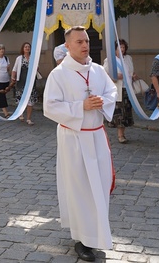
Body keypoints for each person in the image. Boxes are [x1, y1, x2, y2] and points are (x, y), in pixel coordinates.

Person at [43, 26, 117, 262]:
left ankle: (96, 231)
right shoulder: (59, 74)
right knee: (80, 188)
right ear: (68, 46)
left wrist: (102, 101)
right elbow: (50, 107)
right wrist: (80, 107)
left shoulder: (97, 70)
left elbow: (112, 91)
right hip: (74, 138)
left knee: (101, 185)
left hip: (96, 136)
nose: (85, 45)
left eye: (86, 41)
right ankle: (82, 239)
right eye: (79, 42)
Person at [103, 39, 136, 144]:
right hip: (117, 89)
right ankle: (120, 135)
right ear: (115, 49)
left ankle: (123, 133)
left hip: (127, 89)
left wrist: (133, 76)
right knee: (119, 113)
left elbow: (131, 71)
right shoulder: (110, 60)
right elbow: (105, 74)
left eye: (123, 47)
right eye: (119, 48)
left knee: (126, 112)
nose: (122, 49)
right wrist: (115, 76)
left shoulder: (128, 58)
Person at [11, 42, 38, 125]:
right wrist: (13, 78)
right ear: (23, 48)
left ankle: (29, 118)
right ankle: (20, 114)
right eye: (25, 47)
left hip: (31, 82)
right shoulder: (19, 58)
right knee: (21, 99)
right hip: (21, 82)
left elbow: (37, 68)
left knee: (30, 101)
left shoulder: (33, 58)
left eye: (28, 47)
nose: (27, 48)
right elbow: (14, 69)